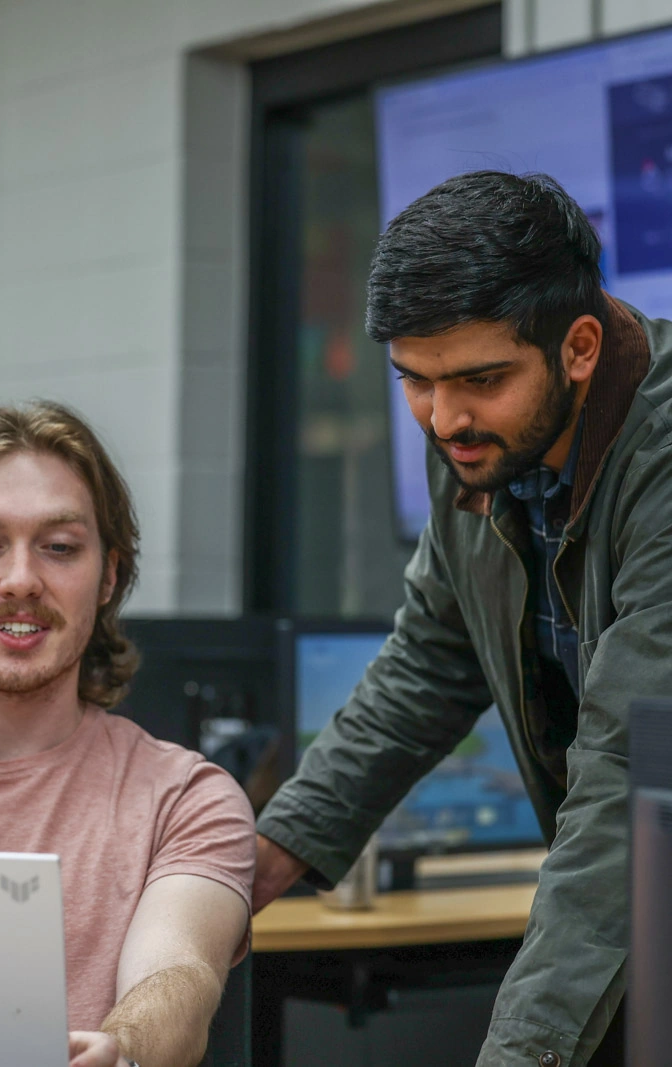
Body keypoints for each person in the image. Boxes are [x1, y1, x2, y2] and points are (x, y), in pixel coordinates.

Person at [254, 170, 672, 1067]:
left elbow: (636, 768)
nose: (445, 419)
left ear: (581, 346)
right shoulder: (483, 447)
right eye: (414, 380)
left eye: (480, 378)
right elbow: (423, 669)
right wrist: (263, 857)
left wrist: (525, 1049)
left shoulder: (662, 461)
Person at [0, 401, 255, 1067]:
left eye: (59, 548)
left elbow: (180, 975)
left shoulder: (186, 797)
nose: (21, 579)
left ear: (108, 575)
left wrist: (124, 1046)